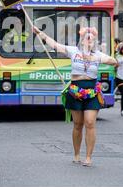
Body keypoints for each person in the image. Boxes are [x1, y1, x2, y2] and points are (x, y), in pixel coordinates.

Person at [33, 26, 118, 167]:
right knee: (78, 124)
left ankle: (89, 157)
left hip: (92, 92)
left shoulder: (98, 55)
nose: (89, 40)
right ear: (82, 40)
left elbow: (113, 61)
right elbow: (54, 45)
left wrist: (115, 62)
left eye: (92, 38)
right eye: (87, 37)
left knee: (90, 123)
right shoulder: (73, 51)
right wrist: (40, 33)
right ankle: (77, 154)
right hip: (75, 90)